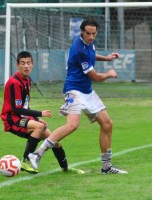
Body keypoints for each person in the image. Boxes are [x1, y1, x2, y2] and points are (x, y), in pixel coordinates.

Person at [28, 19, 128, 174]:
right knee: (72, 125)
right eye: (87, 33)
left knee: (107, 124)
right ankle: (36, 154)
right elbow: (95, 77)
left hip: (87, 91)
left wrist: (106, 58)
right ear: (81, 31)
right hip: (74, 90)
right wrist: (109, 73)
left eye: (93, 33)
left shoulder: (88, 44)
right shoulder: (79, 48)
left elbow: (92, 54)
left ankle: (106, 167)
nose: (90, 36)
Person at [0, 51, 69, 174]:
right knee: (40, 127)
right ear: (17, 65)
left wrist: (35, 119)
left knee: (53, 139)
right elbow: (17, 109)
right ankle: (25, 161)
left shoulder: (26, 80)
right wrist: (39, 114)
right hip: (12, 119)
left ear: (32, 64)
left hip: (22, 118)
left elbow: (25, 106)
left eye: (28, 63)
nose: (26, 66)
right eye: (23, 63)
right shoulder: (14, 83)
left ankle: (66, 168)